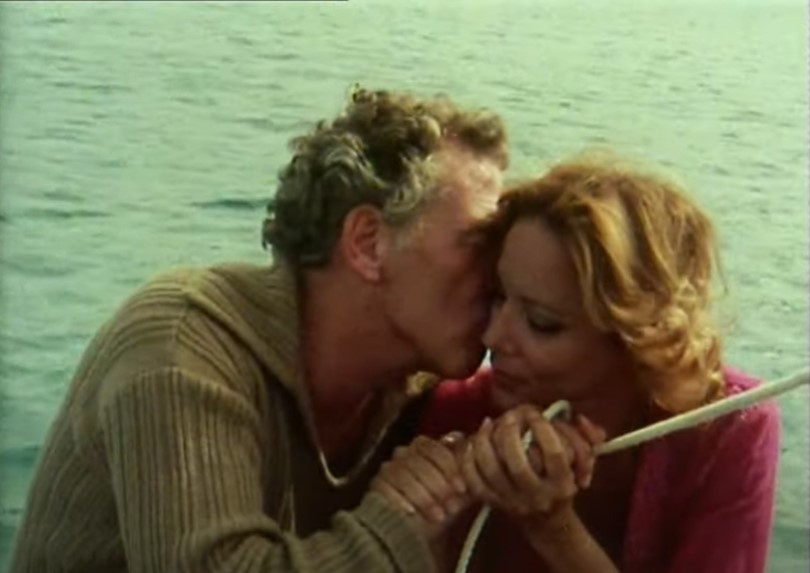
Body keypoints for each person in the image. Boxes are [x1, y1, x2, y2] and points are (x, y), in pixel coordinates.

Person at [9, 87, 509, 573]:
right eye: (480, 242)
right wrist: (400, 525)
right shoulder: (181, 348)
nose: (501, 272)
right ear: (367, 242)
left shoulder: (412, 390)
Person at [372, 154, 781, 573]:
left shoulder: (727, 429)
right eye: (497, 297)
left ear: (635, 339)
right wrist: (416, 536)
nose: (493, 337)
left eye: (541, 323)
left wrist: (555, 531)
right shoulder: (458, 418)